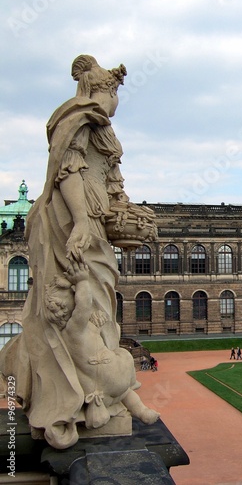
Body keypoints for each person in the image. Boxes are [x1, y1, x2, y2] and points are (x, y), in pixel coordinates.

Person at [0, 55, 157, 449]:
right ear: (95, 92)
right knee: (72, 299)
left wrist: (124, 207)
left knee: (100, 300)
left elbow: (112, 181)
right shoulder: (75, 118)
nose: (111, 109)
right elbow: (68, 172)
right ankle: (73, 401)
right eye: (109, 100)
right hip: (68, 218)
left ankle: (104, 392)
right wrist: (83, 221)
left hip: (96, 222)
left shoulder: (100, 127)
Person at [44, 260, 159, 442]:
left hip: (95, 390)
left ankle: (141, 412)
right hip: (112, 374)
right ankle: (142, 411)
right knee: (126, 383)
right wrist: (81, 281)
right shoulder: (75, 327)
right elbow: (84, 305)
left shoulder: (66, 334)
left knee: (124, 393)